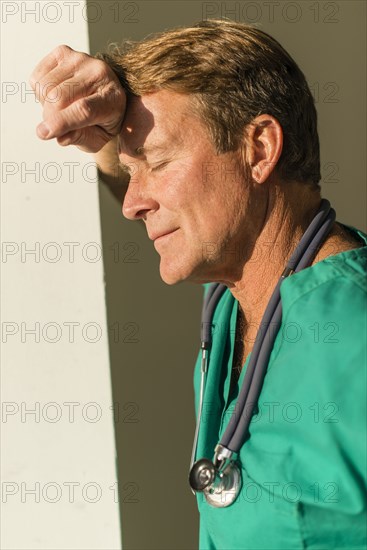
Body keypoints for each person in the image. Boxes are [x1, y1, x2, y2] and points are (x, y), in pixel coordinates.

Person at [30, 20, 366, 550]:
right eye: (132, 170)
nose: (132, 203)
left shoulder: (354, 335)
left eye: (159, 162)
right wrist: (106, 134)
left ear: (258, 149)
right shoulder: (238, 302)